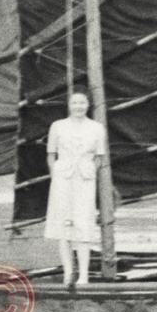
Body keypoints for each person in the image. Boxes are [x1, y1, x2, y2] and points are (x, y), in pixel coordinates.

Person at [44, 90, 108, 287]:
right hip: (62, 178)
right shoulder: (57, 126)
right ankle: (68, 273)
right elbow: (51, 155)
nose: (78, 106)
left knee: (83, 224)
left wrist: (88, 172)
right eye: (74, 102)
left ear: (88, 104)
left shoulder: (97, 128)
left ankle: (83, 276)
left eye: (82, 102)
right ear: (68, 105)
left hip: (85, 179)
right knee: (64, 226)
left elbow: (99, 157)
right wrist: (57, 173)